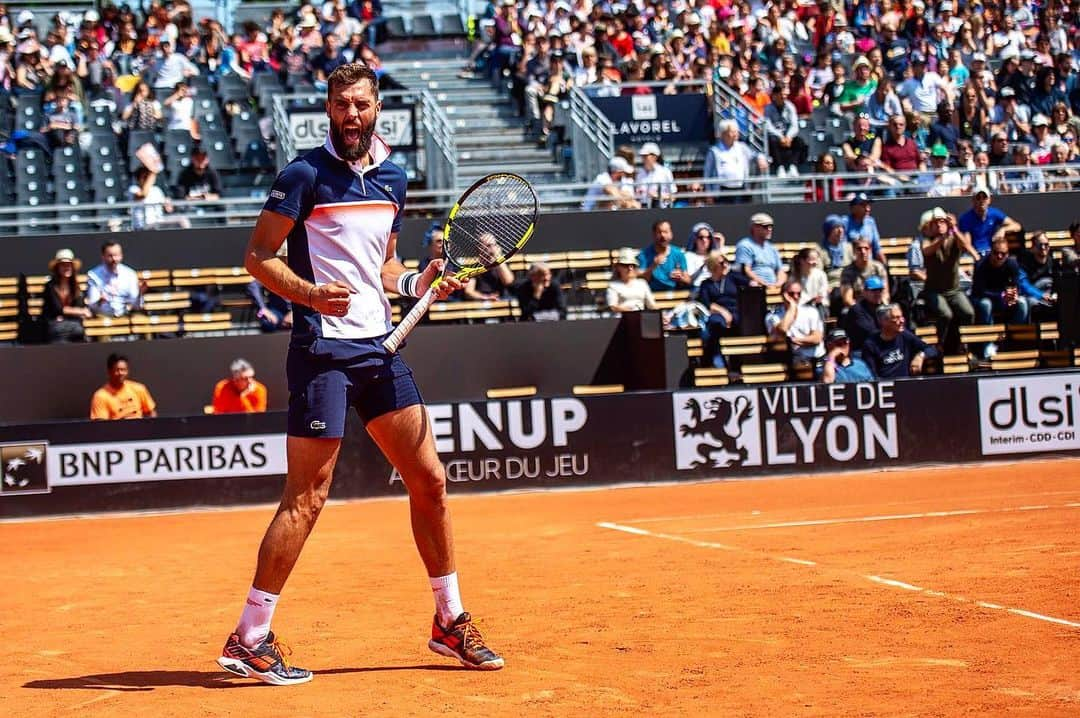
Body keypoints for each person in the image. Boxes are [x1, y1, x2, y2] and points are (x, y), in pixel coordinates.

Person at [217, 63, 502, 686]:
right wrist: (312, 295)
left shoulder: (394, 177)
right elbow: (258, 257)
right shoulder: (303, 175)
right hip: (322, 350)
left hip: (378, 347)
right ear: (327, 108)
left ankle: (449, 621)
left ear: (377, 109)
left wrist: (419, 282)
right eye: (342, 104)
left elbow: (388, 267)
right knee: (308, 496)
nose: (352, 114)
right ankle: (249, 636)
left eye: (362, 104)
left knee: (429, 480)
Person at [919, 207, 979, 354]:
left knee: (969, 312)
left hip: (954, 290)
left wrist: (954, 229)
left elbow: (966, 246)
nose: (939, 225)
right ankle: (940, 344)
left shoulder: (954, 239)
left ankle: (964, 344)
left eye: (942, 222)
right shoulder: (928, 241)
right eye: (935, 223)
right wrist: (942, 238)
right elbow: (927, 251)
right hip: (933, 290)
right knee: (945, 314)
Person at [970, 234, 1050, 327]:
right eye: (996, 253)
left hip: (1003, 299)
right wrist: (1002, 295)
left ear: (1007, 254)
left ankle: (1016, 335)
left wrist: (1014, 295)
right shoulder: (981, 264)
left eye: (1003, 254)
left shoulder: (1012, 263)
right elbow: (978, 291)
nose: (999, 256)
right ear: (991, 252)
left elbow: (1017, 286)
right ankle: (986, 340)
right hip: (985, 298)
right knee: (986, 304)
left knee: (1022, 302)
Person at [695, 251, 747, 365]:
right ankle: (716, 361)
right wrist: (723, 311)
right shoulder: (706, 284)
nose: (725, 265)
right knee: (716, 323)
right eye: (722, 263)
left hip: (736, 311)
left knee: (743, 322)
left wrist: (730, 272)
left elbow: (748, 283)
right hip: (718, 313)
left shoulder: (732, 278)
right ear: (713, 266)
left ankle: (736, 364)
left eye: (726, 262)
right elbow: (706, 303)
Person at [703, 119, 768, 203]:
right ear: (723, 134)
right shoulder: (714, 151)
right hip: (722, 192)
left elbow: (754, 155)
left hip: (740, 190)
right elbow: (707, 173)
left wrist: (761, 158)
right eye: (732, 132)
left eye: (736, 132)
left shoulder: (742, 147)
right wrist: (709, 193)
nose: (736, 134)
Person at [862, 304, 930, 379]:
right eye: (896, 318)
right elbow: (872, 375)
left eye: (902, 317)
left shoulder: (905, 335)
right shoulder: (871, 344)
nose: (902, 321)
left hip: (906, 384)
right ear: (883, 321)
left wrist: (920, 356)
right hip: (885, 386)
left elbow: (931, 349)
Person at [766, 279, 825, 366]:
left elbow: (817, 338)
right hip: (793, 361)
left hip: (816, 360)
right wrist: (792, 307)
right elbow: (783, 329)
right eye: (791, 294)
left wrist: (794, 340)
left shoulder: (811, 311)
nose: (796, 297)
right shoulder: (772, 316)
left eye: (799, 294)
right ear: (783, 295)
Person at [41, 247, 90, 343]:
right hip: (54, 325)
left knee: (78, 331)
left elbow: (79, 304)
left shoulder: (75, 286)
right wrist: (79, 311)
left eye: (69, 265)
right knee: (59, 331)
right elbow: (57, 309)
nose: (66, 268)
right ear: (57, 268)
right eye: (63, 265)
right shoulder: (50, 286)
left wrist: (69, 313)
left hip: (72, 323)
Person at [86, 240, 146, 317]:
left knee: (140, 320)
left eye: (116, 255)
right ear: (103, 256)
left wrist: (140, 294)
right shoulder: (94, 275)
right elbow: (92, 306)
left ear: (121, 255)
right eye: (110, 256)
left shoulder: (130, 274)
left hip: (126, 313)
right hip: (102, 316)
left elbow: (136, 305)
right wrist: (100, 301)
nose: (114, 259)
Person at [90, 353, 158, 420]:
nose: (121, 373)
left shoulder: (139, 388)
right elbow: (100, 425)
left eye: (123, 370)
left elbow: (151, 412)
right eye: (117, 370)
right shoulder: (100, 396)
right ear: (109, 371)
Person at [958, 185, 1022, 256]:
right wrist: (976, 256)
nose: (981, 201)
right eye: (978, 198)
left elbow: (1017, 226)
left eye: (984, 197)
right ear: (973, 200)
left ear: (989, 200)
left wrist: (1003, 230)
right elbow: (967, 244)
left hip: (993, 253)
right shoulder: (966, 218)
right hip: (975, 254)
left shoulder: (994, 213)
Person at [763, 83, 807, 176]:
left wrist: (788, 137)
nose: (784, 97)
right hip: (776, 136)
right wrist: (780, 137)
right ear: (775, 95)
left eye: (785, 95)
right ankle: (780, 167)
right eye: (781, 95)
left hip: (788, 136)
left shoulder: (790, 106)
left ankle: (793, 166)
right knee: (772, 141)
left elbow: (794, 125)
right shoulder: (768, 108)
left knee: (799, 141)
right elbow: (768, 125)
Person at [734, 213, 785, 288]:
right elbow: (746, 270)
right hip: (755, 289)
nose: (769, 229)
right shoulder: (745, 245)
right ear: (755, 227)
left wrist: (778, 284)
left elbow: (780, 271)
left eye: (771, 226)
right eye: (765, 226)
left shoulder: (772, 248)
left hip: (774, 288)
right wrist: (765, 284)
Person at [638, 219, 690, 291]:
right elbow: (640, 282)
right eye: (659, 232)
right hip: (652, 294)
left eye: (666, 232)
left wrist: (680, 278)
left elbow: (688, 280)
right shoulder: (644, 255)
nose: (663, 235)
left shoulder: (678, 254)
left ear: (671, 234)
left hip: (674, 294)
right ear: (654, 235)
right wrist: (653, 266)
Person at [841, 274, 887, 352]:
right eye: (874, 291)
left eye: (880, 290)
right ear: (864, 292)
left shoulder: (883, 308)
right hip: (860, 350)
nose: (878, 293)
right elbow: (870, 331)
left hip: (878, 347)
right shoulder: (857, 310)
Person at [840, 237, 890, 307]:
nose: (863, 252)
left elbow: (885, 293)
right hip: (857, 306)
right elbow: (847, 299)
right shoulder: (847, 272)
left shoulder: (878, 268)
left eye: (866, 248)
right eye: (859, 249)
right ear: (854, 251)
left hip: (877, 304)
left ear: (870, 250)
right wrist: (859, 311)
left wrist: (883, 306)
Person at [606, 247, 657, 312]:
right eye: (625, 265)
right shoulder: (613, 286)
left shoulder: (642, 284)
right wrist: (631, 312)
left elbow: (652, 305)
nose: (630, 268)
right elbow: (613, 307)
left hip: (640, 318)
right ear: (619, 267)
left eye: (632, 265)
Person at [843, 193, 885, 264]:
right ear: (853, 208)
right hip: (851, 265)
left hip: (869, 264)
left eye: (868, 205)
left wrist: (885, 266)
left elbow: (877, 248)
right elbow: (843, 249)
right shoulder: (845, 222)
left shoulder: (870, 222)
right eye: (863, 205)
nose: (867, 209)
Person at [634, 142, 677, 208]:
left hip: (661, 209)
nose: (643, 158)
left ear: (655, 156)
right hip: (642, 210)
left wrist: (658, 196)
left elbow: (673, 196)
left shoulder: (665, 172)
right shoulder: (639, 173)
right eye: (642, 156)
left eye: (646, 156)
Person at [684, 222, 723, 287]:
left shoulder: (715, 254)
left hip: (715, 287)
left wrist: (720, 247)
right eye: (701, 237)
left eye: (708, 237)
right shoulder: (689, 256)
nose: (705, 240)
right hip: (698, 288)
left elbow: (723, 273)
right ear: (695, 239)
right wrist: (704, 265)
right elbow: (690, 279)